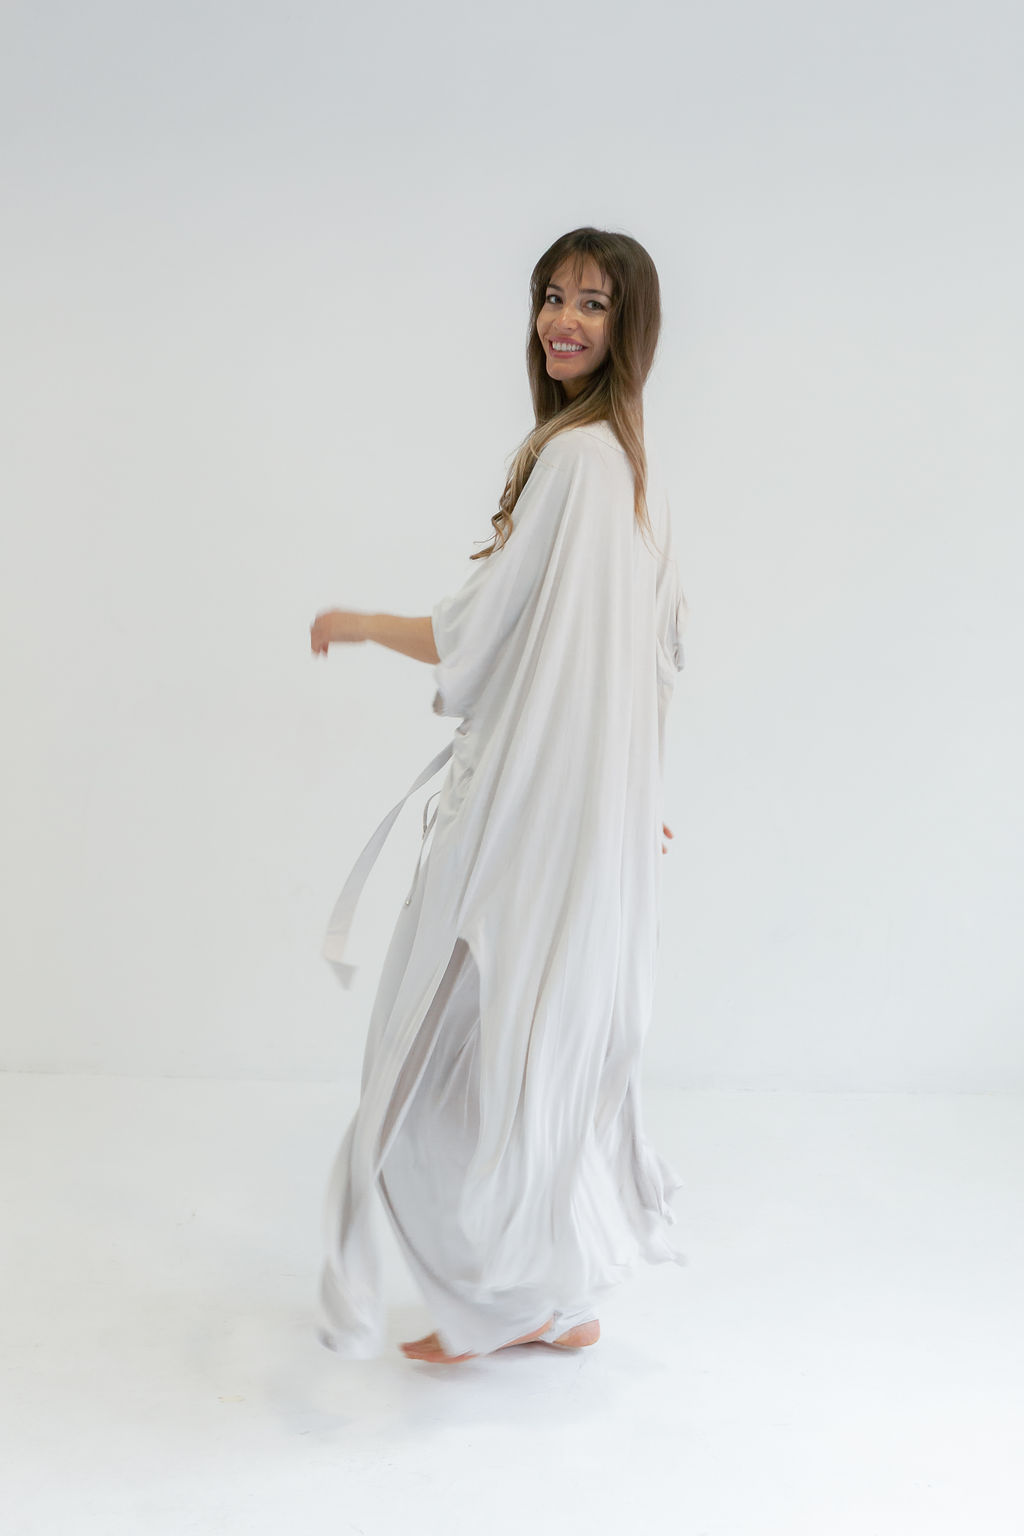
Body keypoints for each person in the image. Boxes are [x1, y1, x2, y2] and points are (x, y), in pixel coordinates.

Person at [309, 226, 688, 1364]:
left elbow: (479, 634)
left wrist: (358, 623)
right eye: (552, 296)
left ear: (628, 328)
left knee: (426, 1056)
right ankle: (553, 1296)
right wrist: (636, 792)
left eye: (593, 304)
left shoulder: (573, 462)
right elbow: (652, 658)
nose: (562, 320)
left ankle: (503, 1303)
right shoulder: (631, 470)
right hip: (582, 818)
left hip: (523, 817)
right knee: (531, 1046)